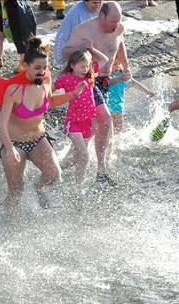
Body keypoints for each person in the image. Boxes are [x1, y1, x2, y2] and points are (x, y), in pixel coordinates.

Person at [0, 37, 77, 209]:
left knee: (54, 174)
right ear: (25, 66)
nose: (42, 72)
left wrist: (72, 95)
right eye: (37, 68)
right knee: (16, 192)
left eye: (45, 67)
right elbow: (1, 125)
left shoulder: (46, 82)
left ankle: (38, 187)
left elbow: (51, 100)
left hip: (38, 139)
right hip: (15, 144)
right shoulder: (14, 90)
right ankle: (9, 224)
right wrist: (9, 148)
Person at [62, 1, 129, 185]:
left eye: (118, 22)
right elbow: (64, 52)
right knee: (106, 120)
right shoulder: (85, 30)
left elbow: (119, 42)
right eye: (112, 22)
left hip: (106, 81)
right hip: (90, 80)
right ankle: (101, 172)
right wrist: (79, 49)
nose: (115, 26)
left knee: (93, 131)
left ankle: (59, 166)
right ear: (102, 16)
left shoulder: (118, 28)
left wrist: (126, 65)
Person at [54, 49, 108, 183]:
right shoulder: (66, 78)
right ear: (72, 65)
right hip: (74, 122)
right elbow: (49, 90)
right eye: (82, 66)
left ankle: (60, 172)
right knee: (84, 154)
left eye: (87, 65)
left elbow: (104, 60)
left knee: (76, 156)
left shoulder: (89, 76)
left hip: (88, 122)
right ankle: (77, 184)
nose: (85, 69)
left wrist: (91, 50)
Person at [107, 58, 157, 135]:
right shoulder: (107, 76)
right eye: (114, 64)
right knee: (109, 132)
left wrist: (149, 92)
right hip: (107, 108)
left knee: (118, 132)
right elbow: (110, 82)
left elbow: (135, 84)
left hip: (118, 108)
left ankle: (115, 145)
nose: (117, 66)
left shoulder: (122, 74)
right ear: (109, 64)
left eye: (119, 64)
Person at [54, 0, 103, 65]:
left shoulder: (104, 8)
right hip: (78, 55)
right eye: (94, 3)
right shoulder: (74, 14)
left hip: (97, 52)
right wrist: (60, 59)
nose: (98, 6)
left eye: (100, 2)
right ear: (85, 1)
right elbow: (62, 35)